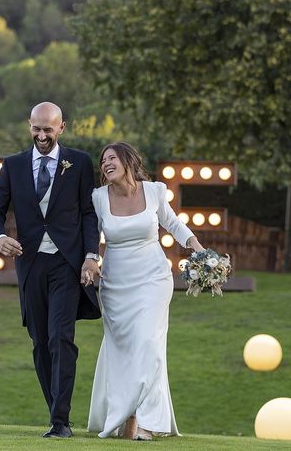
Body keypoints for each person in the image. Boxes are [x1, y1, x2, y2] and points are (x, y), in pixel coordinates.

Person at [0, 102, 101, 438]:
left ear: (62, 128)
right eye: (37, 128)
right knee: (39, 341)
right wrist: (0, 237)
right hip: (31, 263)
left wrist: (91, 255)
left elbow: (88, 214)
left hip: (66, 264)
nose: (42, 135)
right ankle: (55, 412)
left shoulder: (78, 163)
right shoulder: (13, 165)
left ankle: (60, 421)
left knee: (61, 338)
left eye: (48, 129)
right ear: (29, 125)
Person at [83, 142, 204, 440]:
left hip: (153, 278)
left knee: (148, 343)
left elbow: (173, 224)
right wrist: (90, 261)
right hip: (115, 284)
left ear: (128, 161)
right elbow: (89, 236)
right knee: (124, 351)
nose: (106, 163)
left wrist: (198, 249)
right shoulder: (98, 198)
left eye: (112, 158)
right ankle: (126, 416)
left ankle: (149, 423)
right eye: (103, 160)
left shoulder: (154, 191)